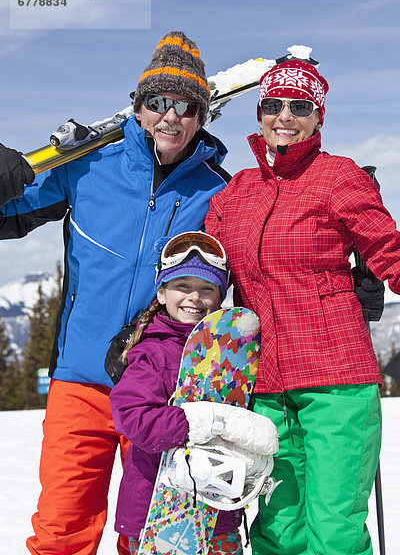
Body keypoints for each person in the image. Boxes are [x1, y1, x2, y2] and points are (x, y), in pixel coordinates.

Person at [0, 31, 231, 555]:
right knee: (62, 527)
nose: (170, 117)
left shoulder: (219, 191)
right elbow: (8, 208)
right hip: (79, 378)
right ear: (139, 106)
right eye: (157, 102)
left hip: (161, 388)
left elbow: (264, 262)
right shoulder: (86, 167)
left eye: (186, 106)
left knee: (153, 532)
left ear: (202, 116)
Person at [205, 57, 400, 555]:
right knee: (278, 530)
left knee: (334, 530)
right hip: (265, 388)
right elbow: (204, 275)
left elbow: (387, 248)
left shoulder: (339, 177)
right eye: (273, 105)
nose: (284, 116)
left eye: (299, 106)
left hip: (336, 377)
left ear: (319, 118)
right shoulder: (237, 192)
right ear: (259, 113)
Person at [109, 231, 277, 555]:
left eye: (206, 289)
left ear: (220, 295)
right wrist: (198, 422)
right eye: (182, 287)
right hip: (155, 511)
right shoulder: (151, 354)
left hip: (217, 511)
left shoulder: (233, 356)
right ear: (161, 293)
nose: (194, 298)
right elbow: (134, 418)